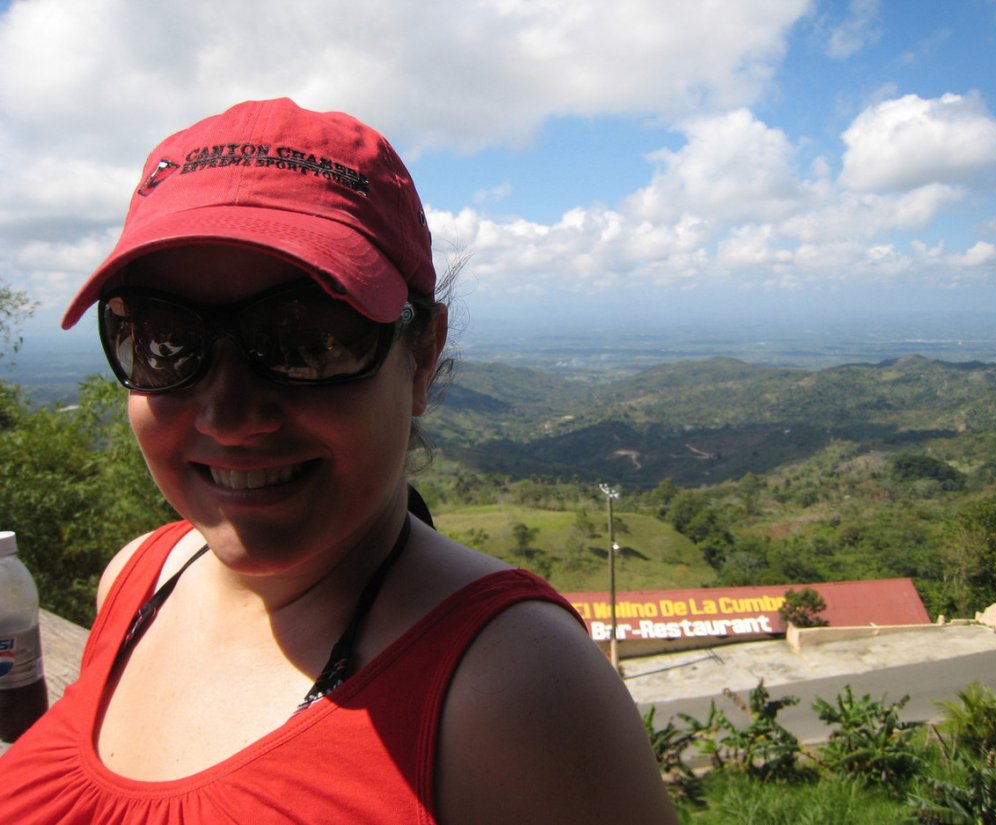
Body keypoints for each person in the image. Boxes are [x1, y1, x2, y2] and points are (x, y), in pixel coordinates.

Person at [0, 98, 678, 824]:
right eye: (164, 339)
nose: (227, 415)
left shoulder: (517, 686)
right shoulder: (135, 578)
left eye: (306, 338)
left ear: (422, 355)